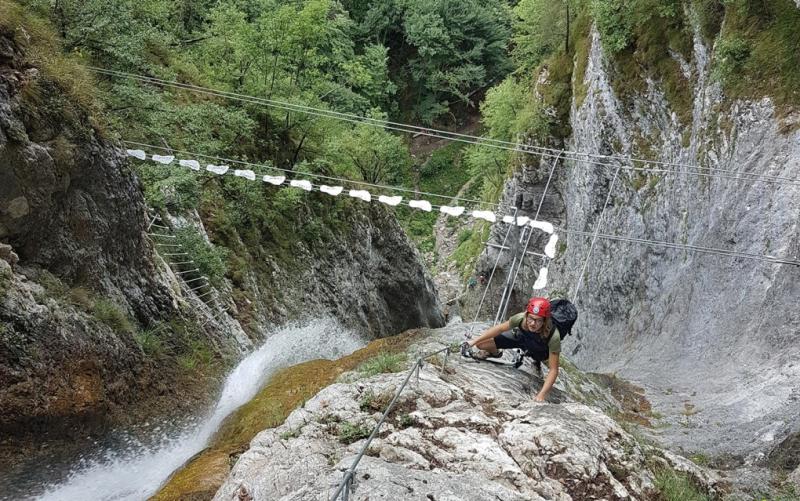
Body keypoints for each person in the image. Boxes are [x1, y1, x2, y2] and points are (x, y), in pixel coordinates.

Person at [463, 297, 560, 402]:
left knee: (537, 356)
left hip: (539, 349)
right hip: (521, 338)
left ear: (544, 321)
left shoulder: (553, 335)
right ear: (526, 315)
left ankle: (536, 361)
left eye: (538, 320)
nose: (532, 323)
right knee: (481, 345)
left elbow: (553, 370)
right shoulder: (520, 318)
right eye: (530, 318)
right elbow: (499, 329)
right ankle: (495, 353)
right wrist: (474, 341)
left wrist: (541, 394)